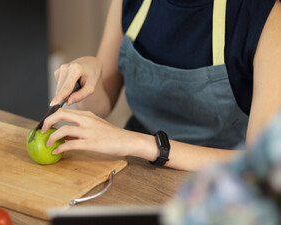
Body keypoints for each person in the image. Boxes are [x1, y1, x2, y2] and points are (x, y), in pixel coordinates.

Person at [41, 0, 281, 171]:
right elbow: (100, 105)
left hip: (217, 187)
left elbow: (259, 165)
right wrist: (88, 70)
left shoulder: (268, 18)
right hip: (132, 167)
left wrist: (142, 144)